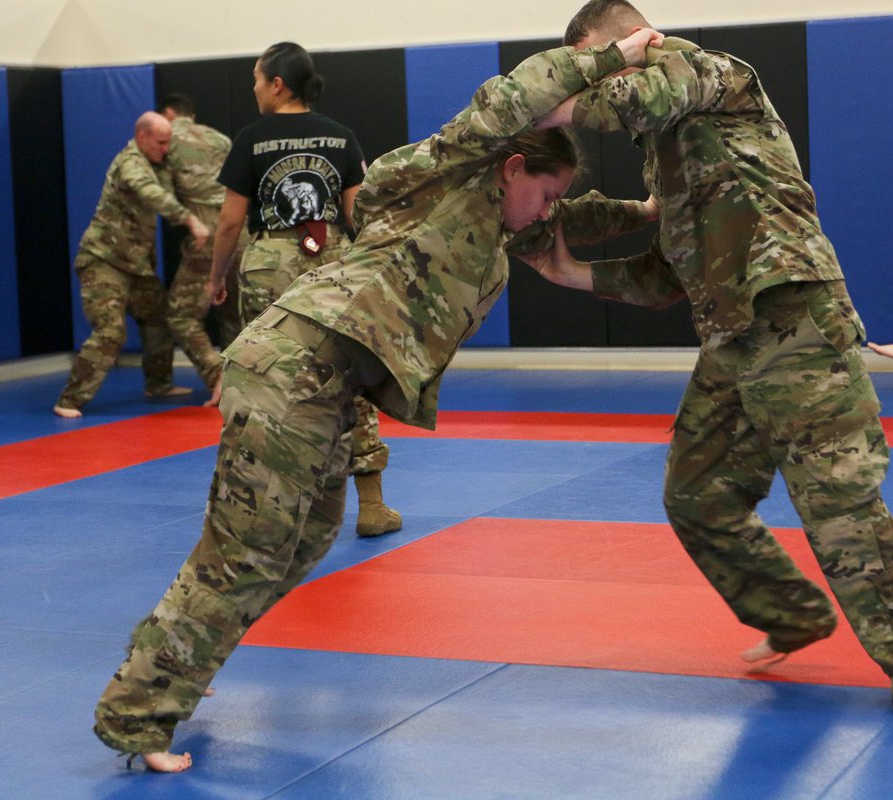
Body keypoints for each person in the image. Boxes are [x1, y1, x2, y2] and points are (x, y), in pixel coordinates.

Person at [93, 29, 662, 772]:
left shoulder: (499, 226)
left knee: (305, 535)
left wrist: (644, 211)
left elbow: (572, 220)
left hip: (328, 390)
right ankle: (139, 712)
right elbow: (510, 100)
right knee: (242, 555)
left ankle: (174, 679)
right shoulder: (448, 178)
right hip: (293, 369)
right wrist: (611, 59)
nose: (547, 209)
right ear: (512, 166)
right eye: (545, 191)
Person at [525, 0, 893, 715]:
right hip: (731, 339)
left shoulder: (703, 71)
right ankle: (792, 616)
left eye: (597, 57)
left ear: (632, 39)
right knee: (698, 496)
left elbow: (638, 92)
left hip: (793, 316)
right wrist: (573, 274)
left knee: (838, 499)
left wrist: (565, 98)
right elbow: (667, 274)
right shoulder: (665, 153)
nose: (593, 77)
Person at [206, 42, 403, 537]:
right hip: (332, 260)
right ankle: (373, 505)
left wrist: (216, 277)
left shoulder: (251, 139)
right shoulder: (340, 138)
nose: (253, 87)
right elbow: (360, 213)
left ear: (277, 83)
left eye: (256, 77)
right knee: (349, 373)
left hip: (268, 263)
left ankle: (264, 509)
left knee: (266, 377)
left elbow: (230, 222)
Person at [53, 112, 210, 418]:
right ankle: (69, 400)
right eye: (161, 143)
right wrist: (188, 219)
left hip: (135, 266)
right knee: (110, 332)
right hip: (104, 261)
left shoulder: (155, 164)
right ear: (143, 137)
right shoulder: (130, 163)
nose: (165, 149)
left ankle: (159, 383)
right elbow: (151, 194)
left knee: (159, 317)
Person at [158, 93, 243, 407]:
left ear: (168, 114)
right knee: (234, 314)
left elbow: (161, 191)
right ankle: (241, 384)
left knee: (181, 314)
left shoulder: (166, 138)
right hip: (243, 231)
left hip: (209, 235)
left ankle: (215, 374)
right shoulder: (220, 139)